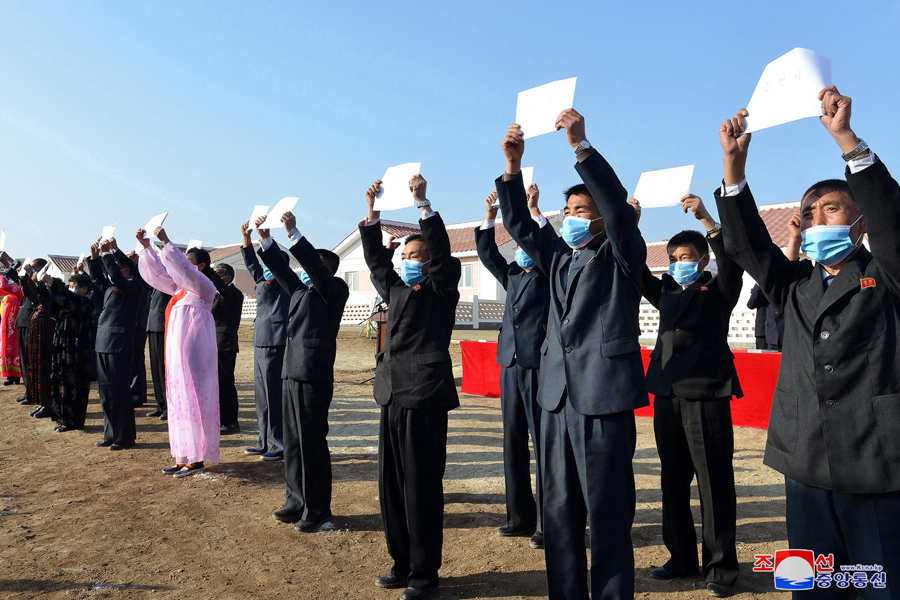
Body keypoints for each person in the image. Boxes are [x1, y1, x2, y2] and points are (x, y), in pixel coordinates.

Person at [714, 87, 900, 599]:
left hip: (877, 463)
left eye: (833, 209)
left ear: (860, 223)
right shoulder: (793, 284)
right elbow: (745, 243)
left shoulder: (886, 276)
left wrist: (847, 141)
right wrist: (734, 169)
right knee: (813, 588)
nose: (817, 220)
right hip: (806, 465)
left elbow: (894, 226)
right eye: (810, 212)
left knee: (880, 584)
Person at [497, 111, 648, 600]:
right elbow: (519, 223)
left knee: (606, 515)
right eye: (570, 212)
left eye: (584, 211)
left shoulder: (622, 256)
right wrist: (513, 169)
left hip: (602, 400)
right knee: (558, 512)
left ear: (603, 216)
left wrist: (580, 146)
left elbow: (620, 215)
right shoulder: (560, 257)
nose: (574, 219)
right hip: (555, 401)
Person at [635, 194, 743, 597]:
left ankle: (721, 569)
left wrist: (709, 222)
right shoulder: (666, 292)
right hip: (666, 396)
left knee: (714, 483)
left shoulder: (718, 291)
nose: (681, 261)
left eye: (688, 255)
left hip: (707, 395)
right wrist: (630, 224)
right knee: (673, 481)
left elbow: (731, 262)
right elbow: (636, 268)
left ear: (701, 260)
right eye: (675, 255)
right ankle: (680, 558)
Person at [360, 175, 460, 600]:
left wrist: (423, 205)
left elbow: (441, 254)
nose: (410, 258)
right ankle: (401, 564)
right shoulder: (397, 289)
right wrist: (372, 215)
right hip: (392, 395)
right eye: (407, 253)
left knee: (421, 487)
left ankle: (424, 575)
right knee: (393, 487)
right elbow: (377, 263)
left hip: (425, 396)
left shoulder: (440, 288)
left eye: (419, 253)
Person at [255, 211, 349, 533]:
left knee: (312, 444)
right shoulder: (299, 290)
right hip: (290, 372)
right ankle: (295, 502)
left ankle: (318, 510)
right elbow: (282, 270)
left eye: (309, 266)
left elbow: (315, 271)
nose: (302, 271)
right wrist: (265, 239)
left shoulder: (334, 289)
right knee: (293, 443)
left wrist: (293, 234)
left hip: (313, 374)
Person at [474, 187, 552, 550]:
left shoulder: (552, 272)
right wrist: (489, 217)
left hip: (539, 366)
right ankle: (518, 516)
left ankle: (547, 523)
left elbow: (543, 243)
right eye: (517, 248)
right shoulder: (514, 275)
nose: (520, 252)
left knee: (544, 444)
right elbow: (488, 254)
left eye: (525, 246)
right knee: (513, 441)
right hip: (511, 365)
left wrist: (534, 210)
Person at [137, 227, 219, 477]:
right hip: (177, 357)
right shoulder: (178, 291)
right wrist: (147, 247)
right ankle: (182, 455)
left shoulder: (205, 288)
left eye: (189, 262)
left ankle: (196, 458)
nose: (181, 266)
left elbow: (182, 268)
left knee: (194, 399)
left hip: (195, 357)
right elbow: (157, 274)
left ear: (201, 267)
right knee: (179, 402)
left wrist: (166, 242)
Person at [240, 222, 290, 461]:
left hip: (276, 340)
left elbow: (270, 264)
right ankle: (263, 440)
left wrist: (265, 240)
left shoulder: (283, 278)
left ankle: (278, 444)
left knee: (274, 395)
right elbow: (251, 264)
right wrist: (246, 240)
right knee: (262, 396)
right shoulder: (263, 278)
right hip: (261, 340)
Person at [89, 238, 141, 451]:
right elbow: (96, 279)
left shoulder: (134, 287)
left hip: (118, 344)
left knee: (119, 391)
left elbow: (118, 278)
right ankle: (110, 433)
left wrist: (108, 254)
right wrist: (95, 257)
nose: (113, 273)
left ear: (127, 271)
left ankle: (124, 436)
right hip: (103, 343)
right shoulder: (111, 288)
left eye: (118, 270)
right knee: (105, 392)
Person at [49, 273, 95, 432]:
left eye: (75, 287)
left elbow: (68, 300)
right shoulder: (68, 303)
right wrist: (42, 286)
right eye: (70, 286)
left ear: (84, 289)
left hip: (77, 351)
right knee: (61, 381)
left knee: (74, 384)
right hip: (63, 348)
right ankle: (62, 417)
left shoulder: (86, 303)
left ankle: (73, 421)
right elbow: (51, 304)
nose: (71, 290)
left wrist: (53, 282)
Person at [210, 261, 244, 435]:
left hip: (225, 344)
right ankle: (219, 418)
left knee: (225, 384)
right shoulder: (214, 294)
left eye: (217, 275)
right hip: (212, 344)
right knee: (215, 385)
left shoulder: (234, 294)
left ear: (227, 278)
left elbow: (224, 292)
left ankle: (230, 421)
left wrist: (207, 271)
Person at [20, 267, 58, 419]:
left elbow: (49, 303)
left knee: (44, 368)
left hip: (46, 334)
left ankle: (48, 404)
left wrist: (44, 283)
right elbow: (31, 296)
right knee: (36, 367)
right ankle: (41, 402)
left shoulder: (56, 290)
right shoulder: (42, 293)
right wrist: (25, 278)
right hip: (37, 334)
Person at [14, 257, 47, 405]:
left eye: (34, 268)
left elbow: (35, 295)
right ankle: (29, 390)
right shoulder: (29, 281)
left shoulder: (43, 283)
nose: (30, 270)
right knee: (24, 359)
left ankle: (32, 393)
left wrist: (32, 275)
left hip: (32, 322)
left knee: (30, 359)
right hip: (23, 320)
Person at [145, 265, 172, 420]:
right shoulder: (156, 284)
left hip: (163, 327)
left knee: (163, 369)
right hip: (153, 327)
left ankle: (168, 407)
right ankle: (160, 404)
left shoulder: (169, 282)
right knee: (155, 369)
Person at [125, 250, 150, 408]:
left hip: (138, 323)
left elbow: (141, 281)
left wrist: (135, 264)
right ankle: (133, 392)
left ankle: (137, 395)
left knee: (136, 360)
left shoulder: (141, 279)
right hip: (129, 324)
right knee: (130, 360)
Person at [0, 252, 23, 386]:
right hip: (8, 309)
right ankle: (10, 373)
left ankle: (17, 374)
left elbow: (16, 274)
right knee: (6, 341)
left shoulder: (22, 276)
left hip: (17, 308)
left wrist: (7, 261)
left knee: (15, 342)